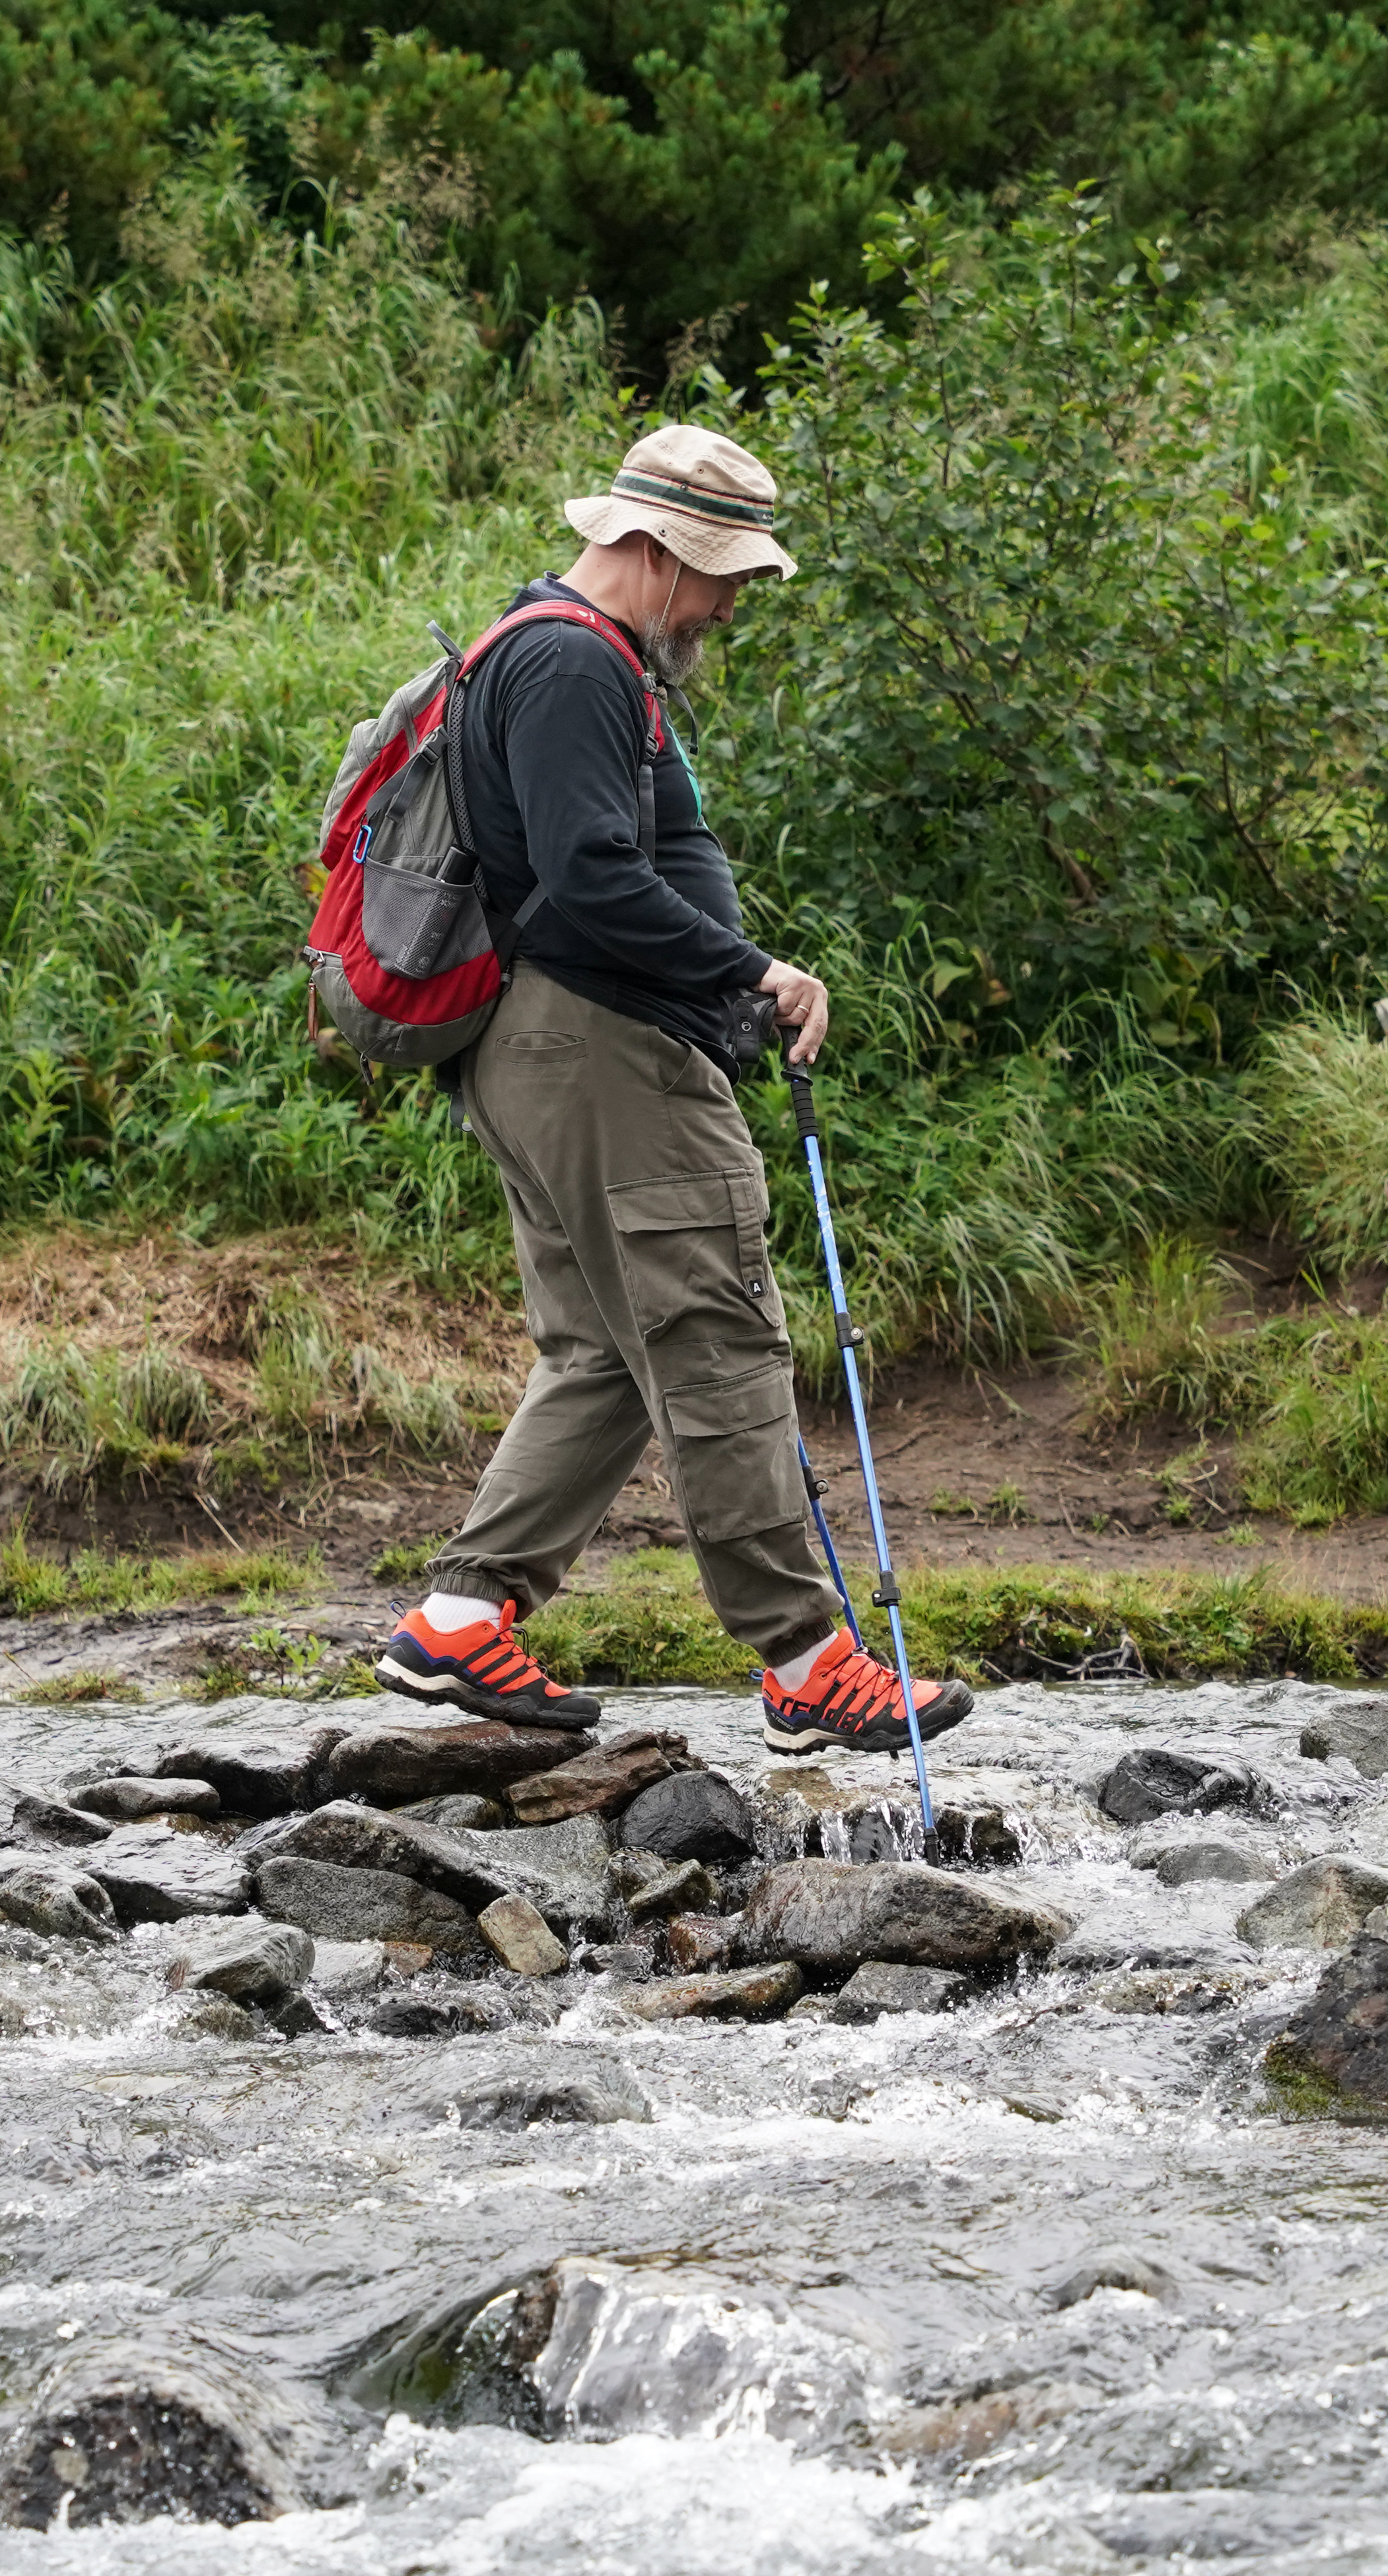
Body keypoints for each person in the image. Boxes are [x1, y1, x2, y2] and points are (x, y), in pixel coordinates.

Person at [375, 424, 973, 1755]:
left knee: (603, 1353)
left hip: (546, 1048)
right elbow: (593, 877)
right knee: (715, 1339)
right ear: (655, 548)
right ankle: (808, 1662)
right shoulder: (574, 662)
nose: (729, 605)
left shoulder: (540, 645)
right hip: (602, 1053)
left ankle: (458, 1622)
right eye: (723, 576)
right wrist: (752, 968)